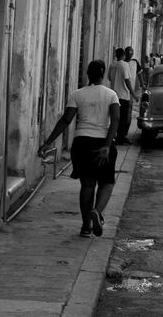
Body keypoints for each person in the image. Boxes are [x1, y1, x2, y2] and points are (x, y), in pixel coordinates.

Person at [38, 60, 120, 238]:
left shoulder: (77, 94)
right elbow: (115, 120)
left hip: (82, 144)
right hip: (102, 143)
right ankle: (97, 211)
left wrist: (48, 142)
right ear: (103, 73)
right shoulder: (111, 95)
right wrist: (107, 146)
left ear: (87, 74)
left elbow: (66, 120)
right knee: (107, 182)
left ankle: (85, 227)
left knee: (87, 184)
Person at [108, 48, 138, 144]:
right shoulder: (124, 65)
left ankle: (115, 136)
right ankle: (121, 138)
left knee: (115, 117)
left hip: (113, 95)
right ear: (124, 55)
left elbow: (109, 78)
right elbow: (127, 80)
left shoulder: (112, 64)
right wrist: (133, 94)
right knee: (123, 118)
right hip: (124, 96)